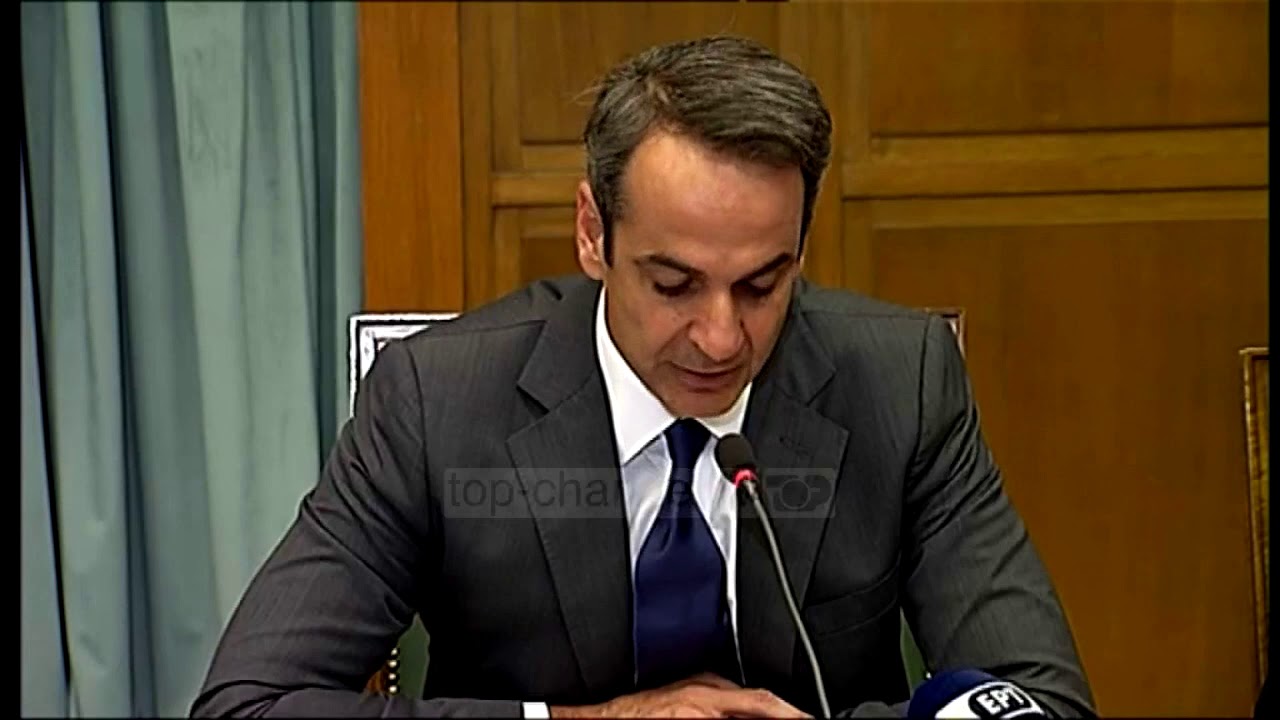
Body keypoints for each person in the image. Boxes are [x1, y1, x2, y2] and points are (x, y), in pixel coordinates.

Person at [191, 35, 1094, 718]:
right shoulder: (436, 401)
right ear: (593, 234)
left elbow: (1041, 702)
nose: (720, 337)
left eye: (762, 285)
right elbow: (249, 703)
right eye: (673, 284)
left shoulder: (903, 383)